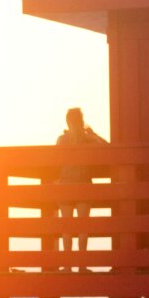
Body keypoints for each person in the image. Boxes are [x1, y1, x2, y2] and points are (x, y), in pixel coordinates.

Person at [56, 107, 108, 263]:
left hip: (65, 184)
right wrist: (92, 133)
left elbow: (54, 158)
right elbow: (106, 146)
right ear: (81, 120)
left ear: (67, 121)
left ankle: (67, 266)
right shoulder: (88, 138)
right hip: (83, 183)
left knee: (66, 228)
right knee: (83, 227)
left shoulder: (62, 139)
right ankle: (82, 264)